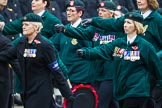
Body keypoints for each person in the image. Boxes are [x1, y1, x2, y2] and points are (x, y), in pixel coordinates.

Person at [77, 12, 162, 108]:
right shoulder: (119, 43)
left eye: (129, 23)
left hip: (137, 91)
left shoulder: (145, 46)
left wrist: (157, 90)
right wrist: (85, 52)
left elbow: (157, 68)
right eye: (125, 22)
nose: (125, 25)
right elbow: (102, 50)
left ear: (136, 26)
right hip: (122, 90)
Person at [54, 1, 121, 108]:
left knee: (100, 103)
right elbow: (82, 33)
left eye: (103, 11)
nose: (100, 13)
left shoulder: (117, 31)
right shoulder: (96, 28)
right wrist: (65, 29)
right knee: (111, 104)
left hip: (110, 74)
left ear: (112, 14)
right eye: (99, 10)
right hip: (97, 73)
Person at [0, 13, 73, 108]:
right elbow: (6, 55)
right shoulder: (22, 43)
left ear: (35, 27)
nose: (23, 27)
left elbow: (56, 70)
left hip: (41, 91)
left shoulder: (45, 45)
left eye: (26, 24)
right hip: (27, 91)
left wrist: (68, 95)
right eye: (23, 24)